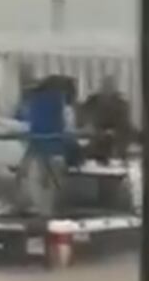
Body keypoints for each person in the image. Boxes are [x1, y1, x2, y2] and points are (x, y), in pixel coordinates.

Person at [13, 74, 83, 214]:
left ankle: (44, 213)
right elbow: (66, 129)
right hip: (53, 151)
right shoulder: (58, 103)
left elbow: (34, 128)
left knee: (42, 186)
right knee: (50, 188)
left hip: (40, 150)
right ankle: (47, 214)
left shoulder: (37, 102)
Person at [80, 76, 138, 161]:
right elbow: (83, 117)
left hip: (115, 138)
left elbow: (124, 124)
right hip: (94, 137)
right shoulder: (92, 101)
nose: (107, 89)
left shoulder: (121, 103)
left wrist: (111, 133)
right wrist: (88, 127)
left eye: (109, 86)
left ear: (113, 89)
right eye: (104, 86)